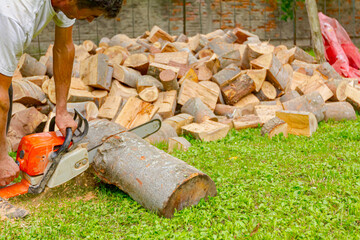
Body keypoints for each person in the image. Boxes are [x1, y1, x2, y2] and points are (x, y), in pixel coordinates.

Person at [0, 0, 123, 219]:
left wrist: (62, 110)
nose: (90, 20)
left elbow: (64, 47)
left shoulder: (66, 6)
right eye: (92, 14)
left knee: (6, 92)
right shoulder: (14, 18)